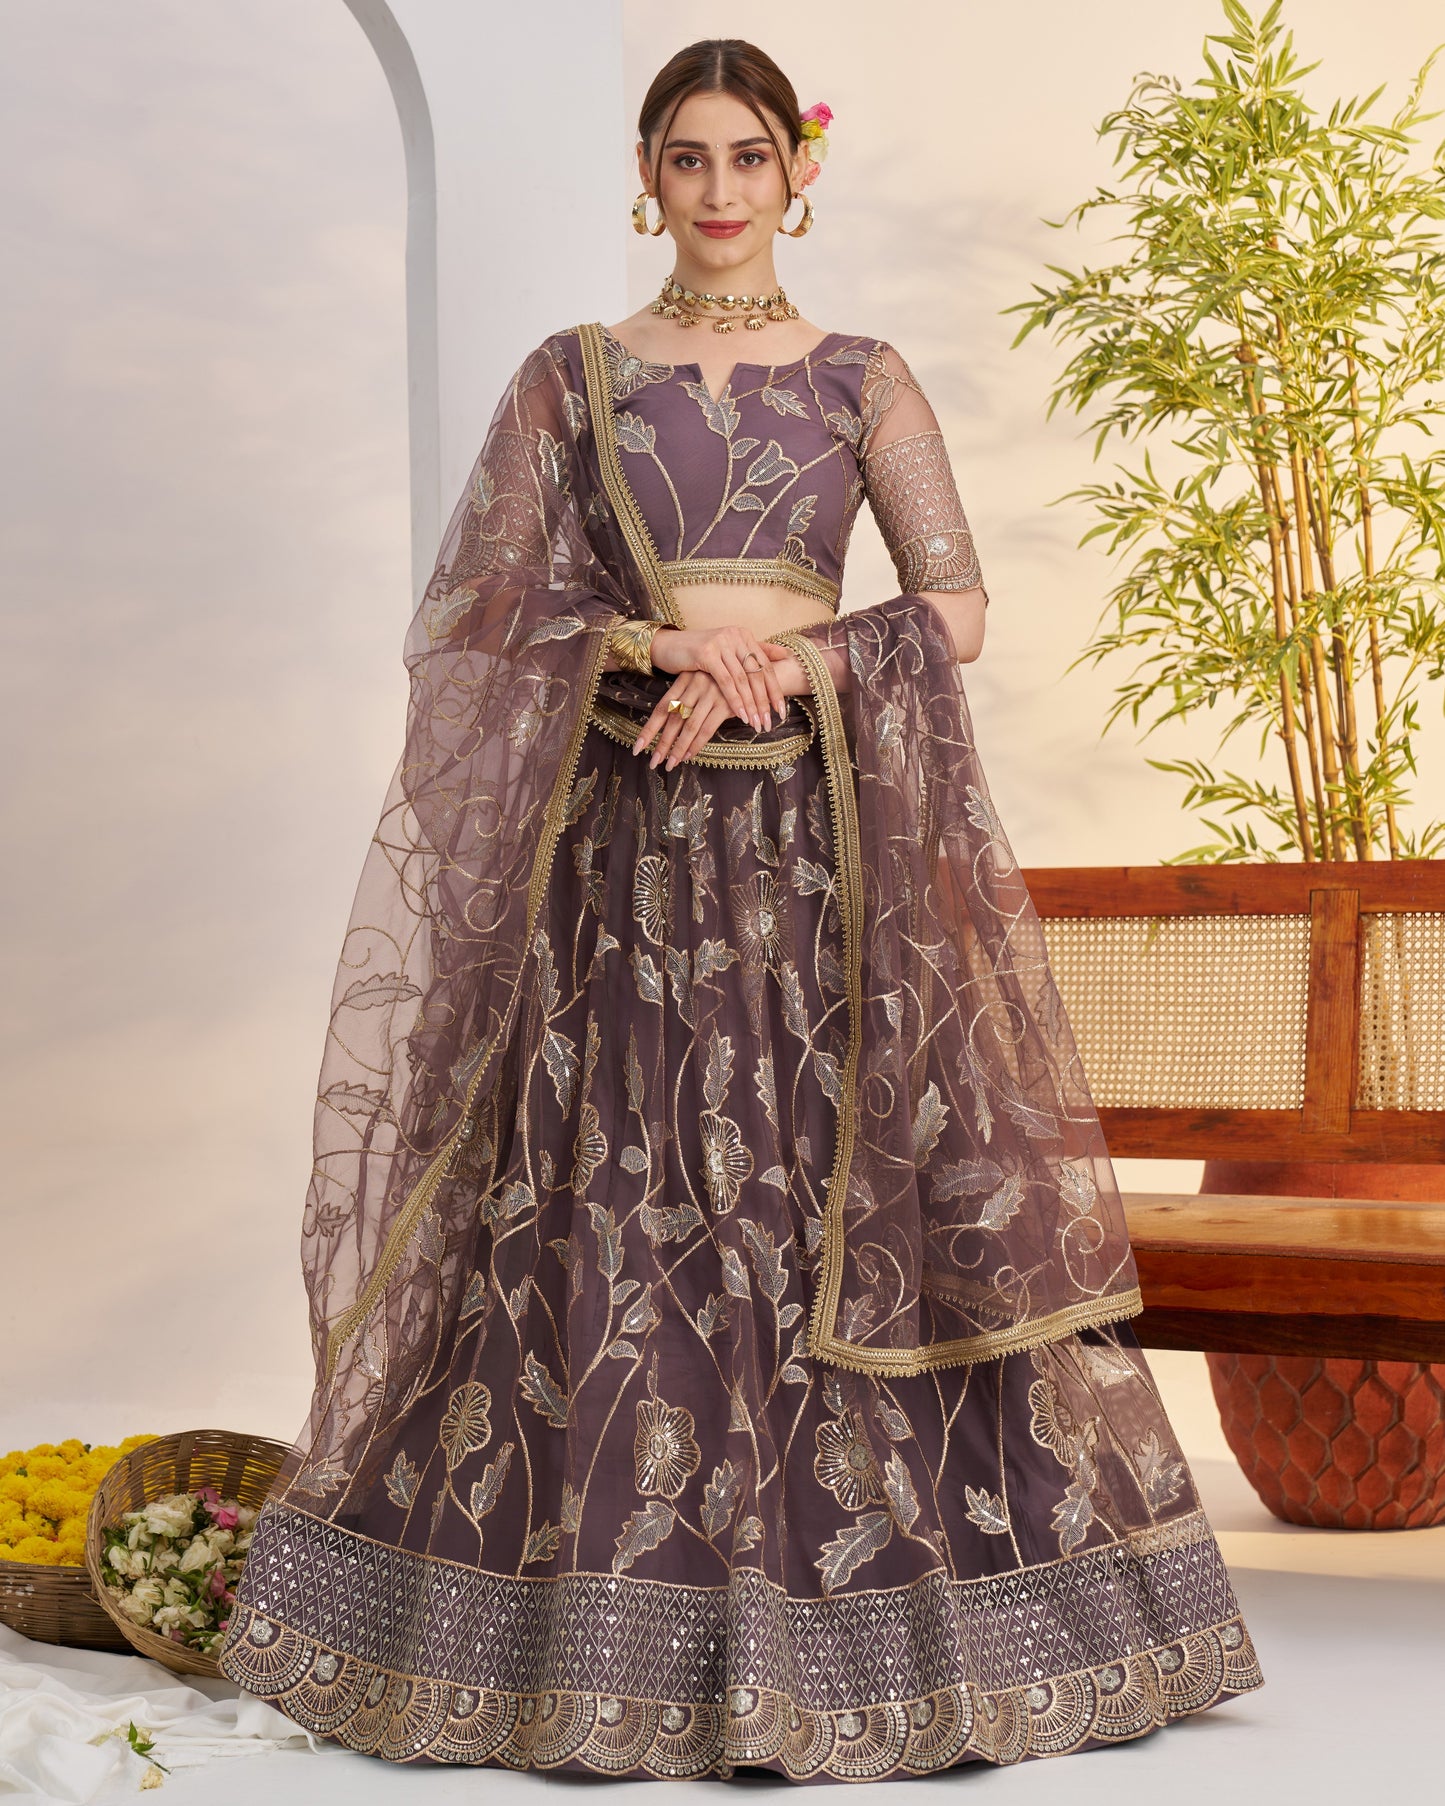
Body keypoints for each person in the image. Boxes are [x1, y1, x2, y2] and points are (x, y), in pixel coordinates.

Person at [216, 37, 1262, 1783]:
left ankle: (862, 1623)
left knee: (808, 1185)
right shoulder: (574, 378)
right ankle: (573, 1622)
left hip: (815, 853)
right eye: (687, 157)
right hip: (619, 848)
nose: (718, 190)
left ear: (797, 171)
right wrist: (655, 641)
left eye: (747, 156)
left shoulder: (861, 380)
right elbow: (478, 606)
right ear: (648, 176)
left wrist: (787, 660)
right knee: (618, 1188)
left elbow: (957, 605)